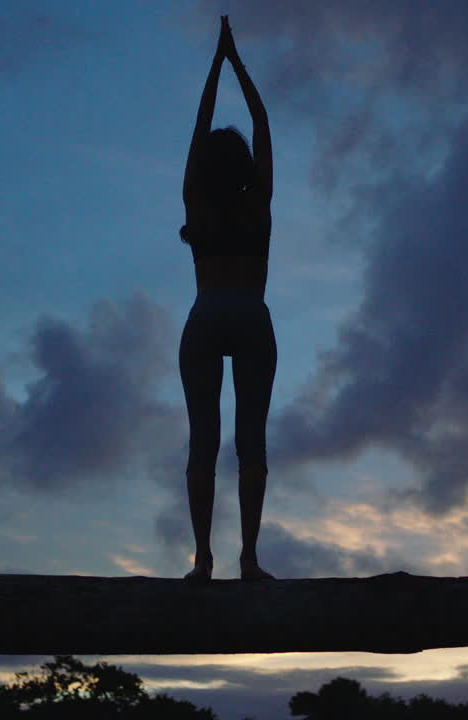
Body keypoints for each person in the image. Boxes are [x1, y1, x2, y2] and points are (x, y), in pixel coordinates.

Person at [179, 16, 275, 581]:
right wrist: (238, 64)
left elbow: (199, 127)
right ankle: (250, 559)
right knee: (251, 444)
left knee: (203, 443)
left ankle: (203, 560)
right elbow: (261, 122)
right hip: (251, 314)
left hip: (207, 313)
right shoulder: (257, 198)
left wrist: (214, 66)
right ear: (241, 166)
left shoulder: (196, 199)